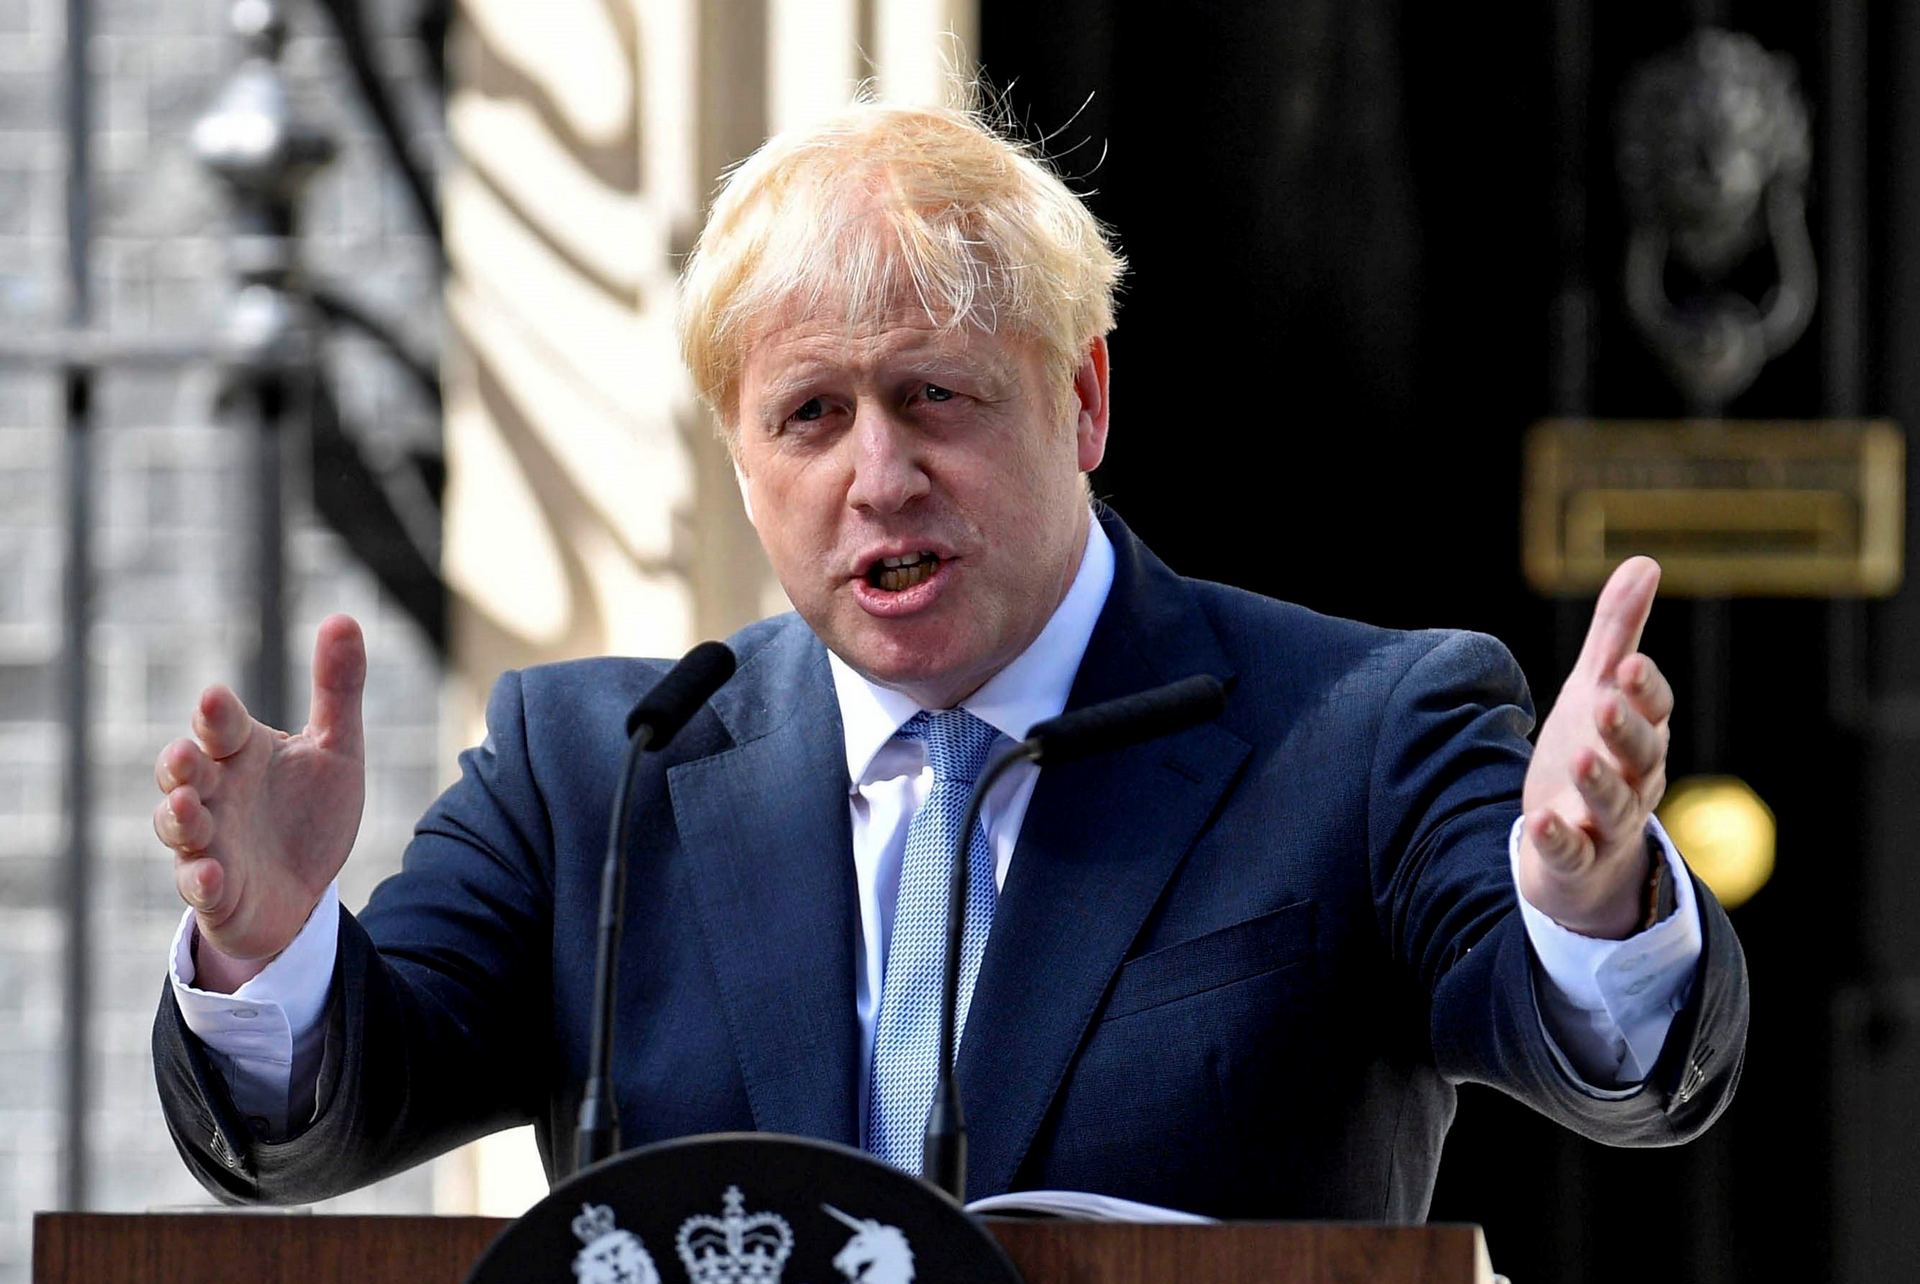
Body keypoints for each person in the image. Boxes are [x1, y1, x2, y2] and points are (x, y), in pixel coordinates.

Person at [152, 101, 1746, 1216]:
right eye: (809, 416)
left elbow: (1604, 1063)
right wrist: (270, 954)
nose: (880, 476)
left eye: (935, 397)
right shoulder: (595, 775)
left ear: (1083, 401)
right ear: (741, 464)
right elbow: (336, 1109)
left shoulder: (1360, 728)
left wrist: (1589, 902)